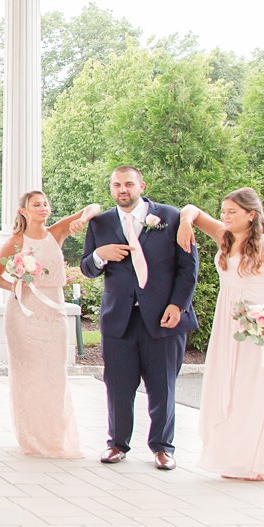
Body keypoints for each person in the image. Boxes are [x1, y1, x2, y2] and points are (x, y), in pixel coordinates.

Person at [79, 165, 198, 471]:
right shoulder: (101, 223)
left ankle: (162, 447)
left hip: (163, 318)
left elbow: (188, 268)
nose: (123, 190)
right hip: (119, 320)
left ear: (141, 185)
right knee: (117, 386)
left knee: (163, 386)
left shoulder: (170, 218)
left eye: (128, 184)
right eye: (116, 185)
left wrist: (178, 305)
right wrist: (100, 254)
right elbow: (87, 268)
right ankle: (117, 444)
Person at [178, 189, 264, 481]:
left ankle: (259, 462)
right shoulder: (225, 236)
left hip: (261, 322)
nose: (225, 216)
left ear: (251, 215)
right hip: (229, 323)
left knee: (256, 389)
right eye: (223, 211)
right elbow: (192, 209)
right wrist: (185, 220)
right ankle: (235, 458)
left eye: (232, 212)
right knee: (230, 387)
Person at [0, 191, 99, 459]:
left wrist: (82, 219)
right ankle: (32, 436)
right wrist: (14, 285)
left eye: (46, 203)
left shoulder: (55, 233)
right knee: (28, 376)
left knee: (55, 375)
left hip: (53, 313)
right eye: (36, 204)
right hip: (24, 315)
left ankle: (55, 435)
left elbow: (93, 205)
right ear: (24, 211)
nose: (43, 208)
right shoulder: (16, 242)